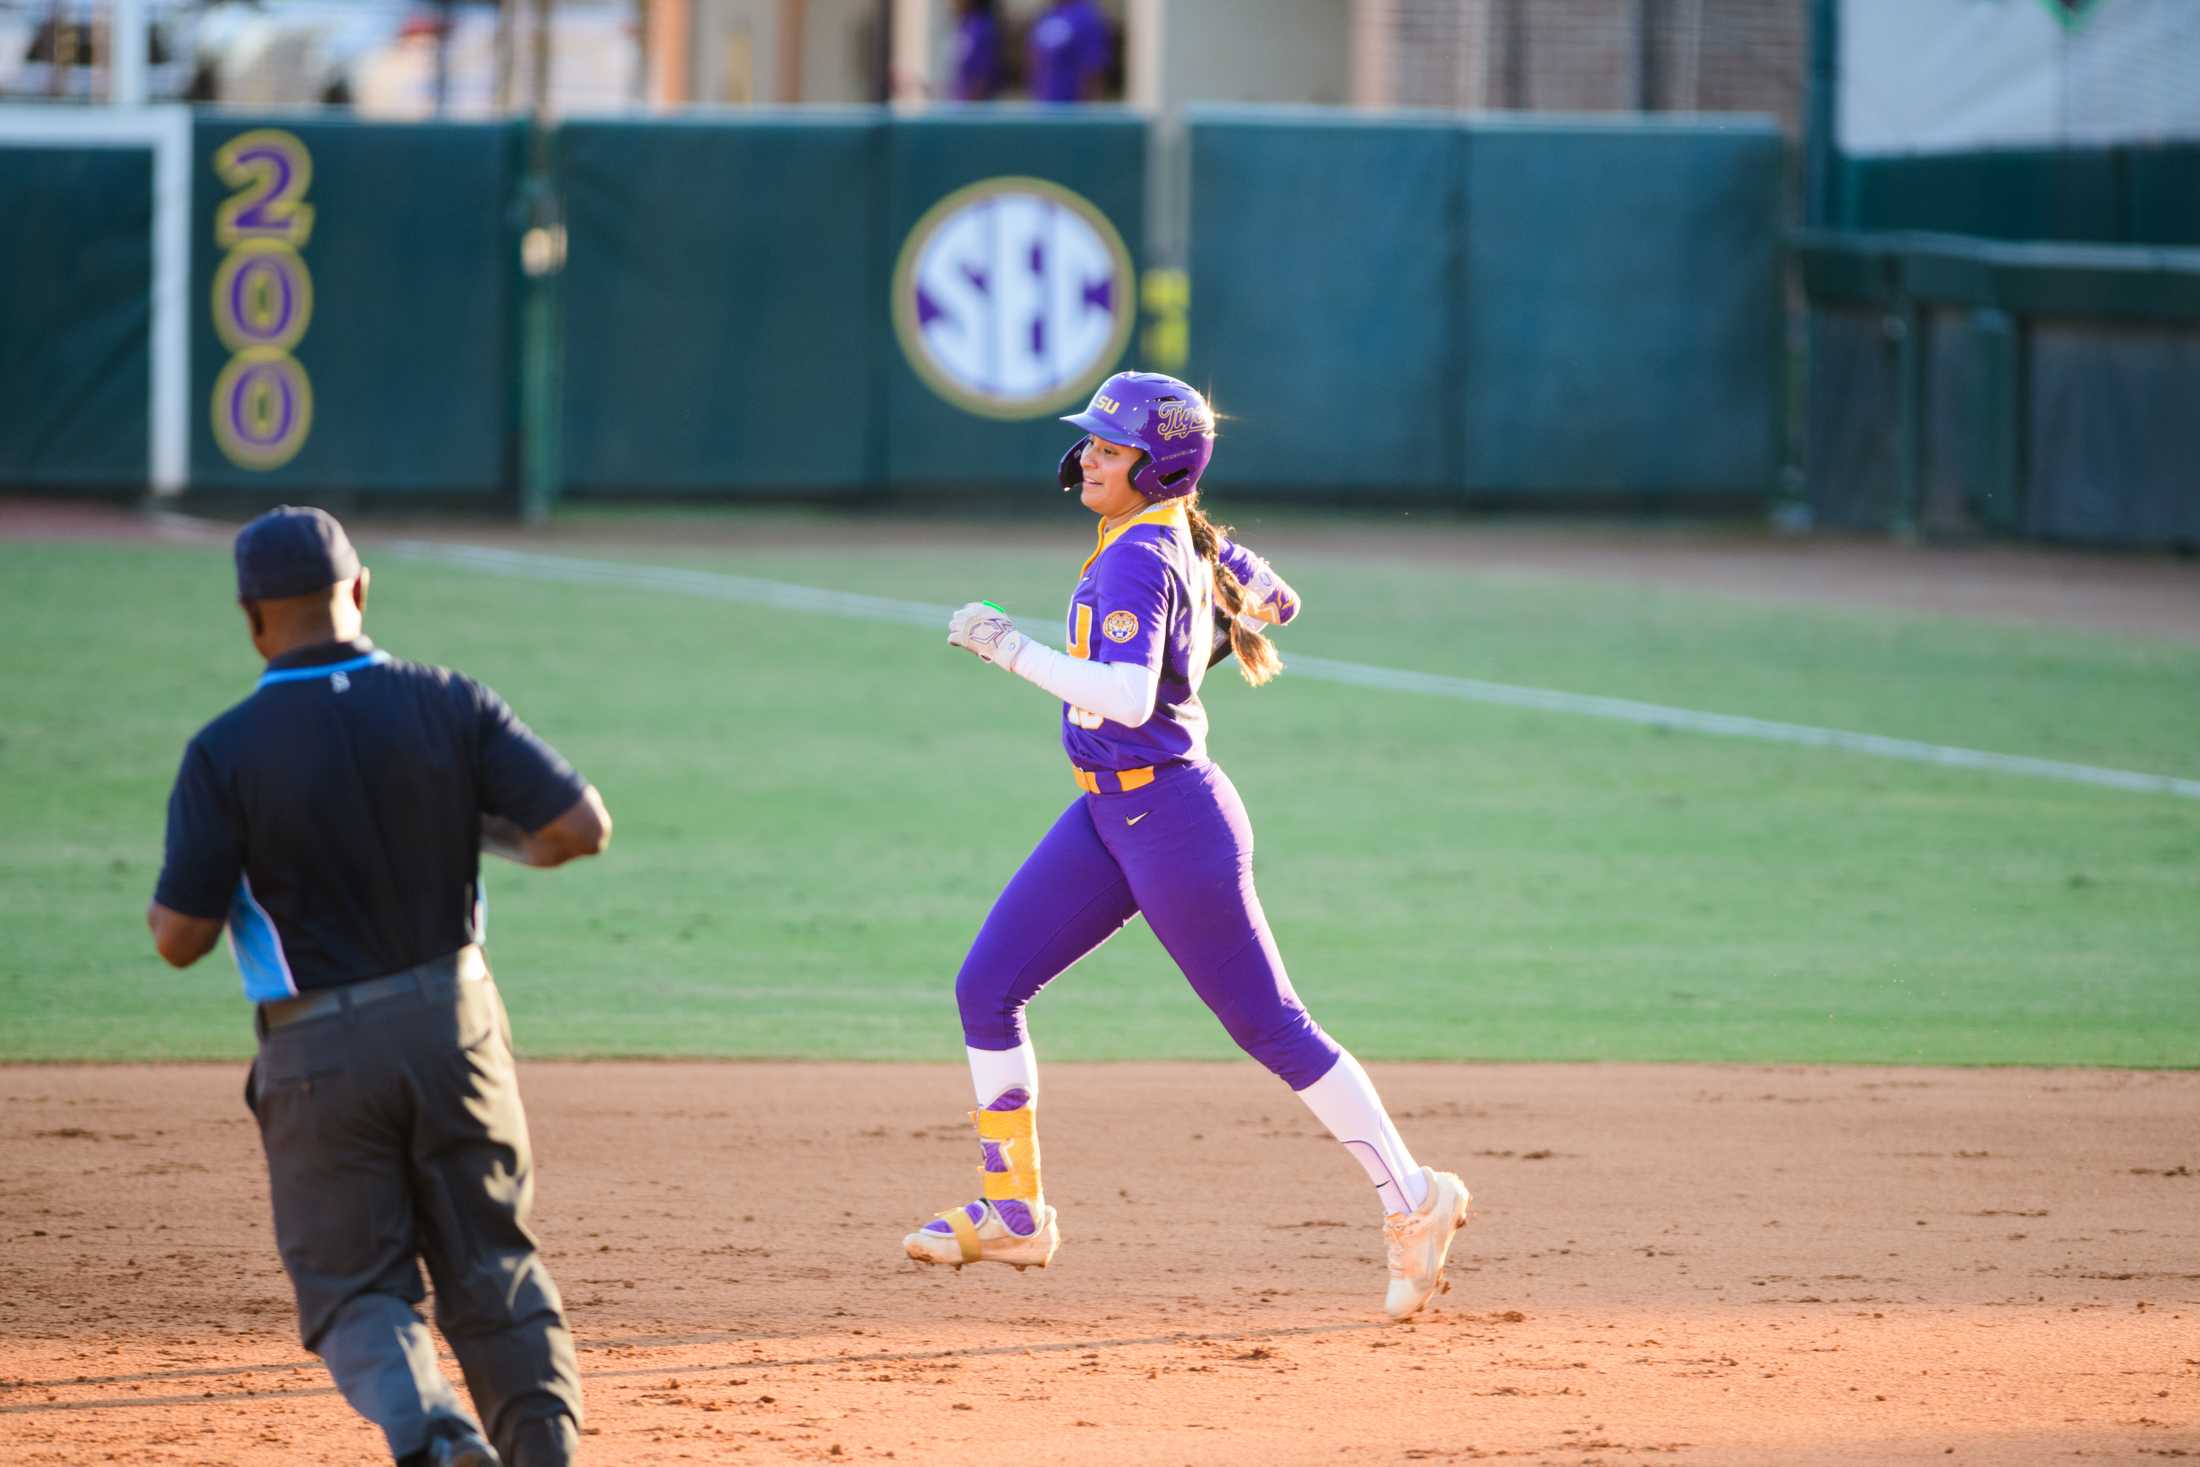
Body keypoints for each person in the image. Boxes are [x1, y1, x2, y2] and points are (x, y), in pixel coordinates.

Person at [908, 372, 1472, 1320]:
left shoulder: (1141, 554)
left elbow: (1126, 698)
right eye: (1090, 440)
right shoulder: (1169, 535)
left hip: (1172, 823)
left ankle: (1415, 1198)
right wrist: (1227, 582)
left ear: (1158, 464)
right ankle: (1015, 1211)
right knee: (986, 987)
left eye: (1112, 445)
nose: (1089, 454)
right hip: (1108, 812)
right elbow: (1283, 604)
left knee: (1271, 1027)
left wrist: (1002, 643)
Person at [146, 506, 612, 1467]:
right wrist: (461, 824)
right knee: (494, 1262)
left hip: (320, 1054)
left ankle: (440, 1444)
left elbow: (178, 940)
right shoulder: (449, 701)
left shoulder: (224, 752)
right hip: (460, 1026)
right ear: (359, 591)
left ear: (251, 618)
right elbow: (578, 826)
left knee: (359, 1287)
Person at [1025, 0, 1109, 103]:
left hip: (1071, 110)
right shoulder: (1048, 14)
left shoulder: (1087, 17)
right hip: (1043, 106)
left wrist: (1087, 112)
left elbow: (1093, 70)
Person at [949, 0, 1003, 101]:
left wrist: (968, 111)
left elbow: (982, 78)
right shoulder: (964, 25)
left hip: (977, 110)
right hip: (961, 106)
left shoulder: (982, 28)